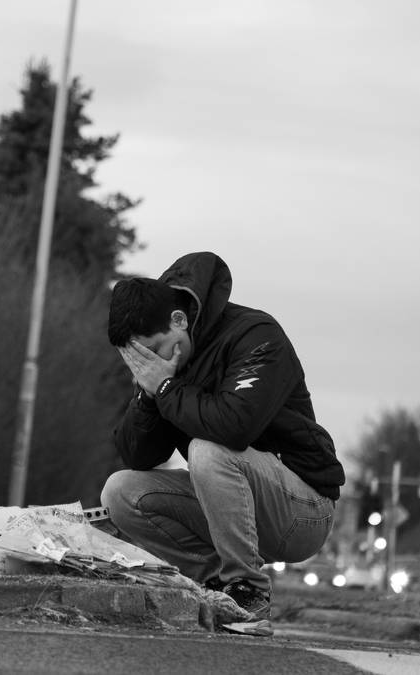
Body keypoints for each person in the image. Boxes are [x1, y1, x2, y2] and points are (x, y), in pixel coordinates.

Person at [101, 251, 345, 637]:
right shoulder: (165, 371)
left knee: (208, 449)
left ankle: (249, 592)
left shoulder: (257, 336)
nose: (154, 365)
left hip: (303, 510)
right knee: (121, 490)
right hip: (230, 506)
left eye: (157, 352)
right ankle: (217, 591)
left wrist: (165, 387)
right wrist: (149, 395)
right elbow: (138, 455)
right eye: (140, 361)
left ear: (179, 320)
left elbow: (233, 427)